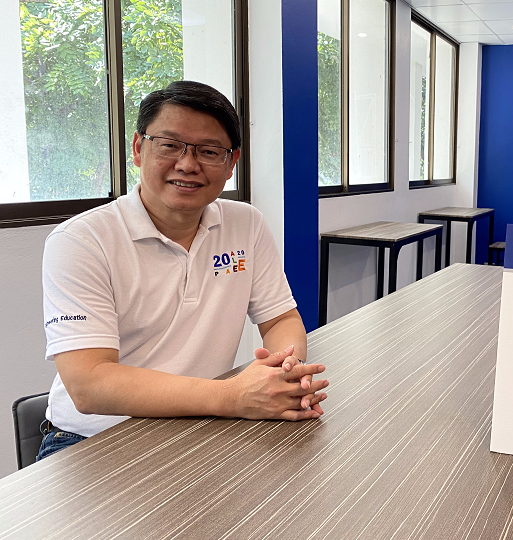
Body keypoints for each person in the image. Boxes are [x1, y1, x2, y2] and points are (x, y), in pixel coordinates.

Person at [37, 81, 327, 460]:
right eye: (170, 145)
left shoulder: (246, 224)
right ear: (139, 149)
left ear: (231, 163)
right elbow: (89, 384)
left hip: (205, 424)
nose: (188, 164)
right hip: (94, 442)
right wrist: (234, 395)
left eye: (209, 151)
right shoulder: (80, 240)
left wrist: (288, 370)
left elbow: (279, 318)